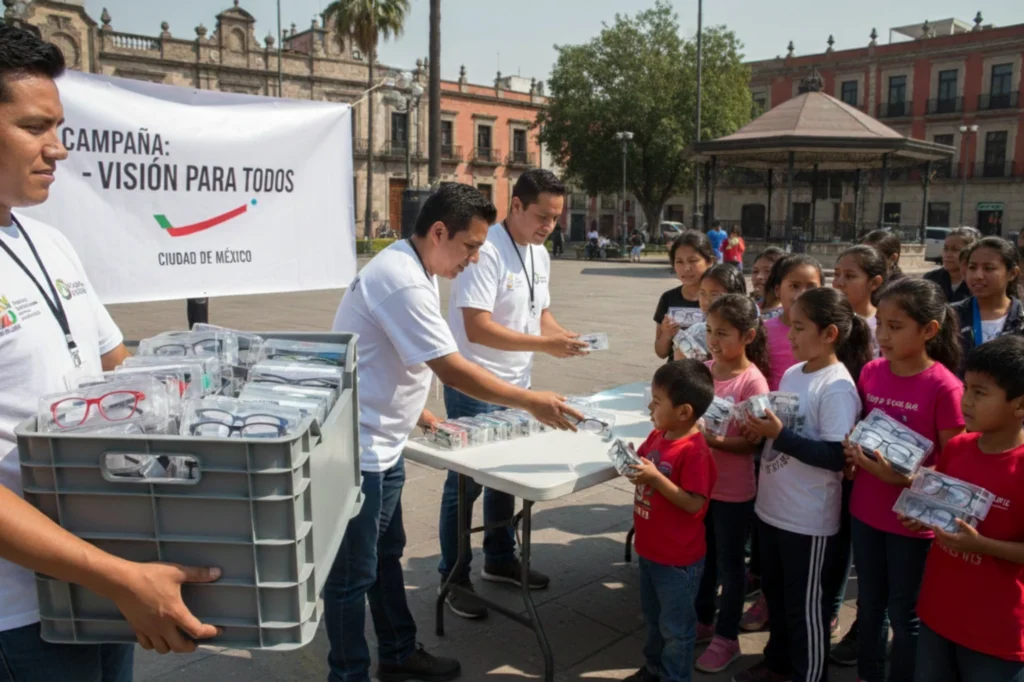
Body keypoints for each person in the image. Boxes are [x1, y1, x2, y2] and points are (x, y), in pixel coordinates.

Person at [0, 24, 223, 678]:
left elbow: (115, 365)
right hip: (20, 613)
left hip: (106, 588)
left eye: (60, 127)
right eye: (35, 127)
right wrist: (120, 576)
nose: (58, 149)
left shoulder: (47, 242)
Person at [327, 183, 583, 682]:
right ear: (439, 231)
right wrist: (532, 400)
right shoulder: (401, 278)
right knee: (352, 576)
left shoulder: (415, 267)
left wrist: (418, 413)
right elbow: (452, 368)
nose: (473, 259)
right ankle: (349, 673)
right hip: (360, 449)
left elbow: (382, 355)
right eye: (469, 247)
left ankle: (399, 652)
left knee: (384, 555)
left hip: (386, 439)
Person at [439, 169, 587, 619]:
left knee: (509, 473)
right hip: (475, 383)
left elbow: (538, 311)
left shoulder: (537, 253)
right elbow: (476, 327)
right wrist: (546, 344)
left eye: (557, 218)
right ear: (516, 205)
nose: (549, 226)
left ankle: (500, 558)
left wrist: (563, 336)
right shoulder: (485, 253)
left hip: (516, 381)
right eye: (542, 215)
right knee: (464, 484)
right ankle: (453, 577)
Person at [735, 287, 871, 682]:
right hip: (773, 507)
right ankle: (777, 662)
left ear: (829, 333)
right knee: (776, 598)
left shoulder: (837, 387)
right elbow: (783, 429)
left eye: (798, 327)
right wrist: (760, 430)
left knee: (805, 606)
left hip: (808, 519)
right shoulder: (796, 372)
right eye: (789, 326)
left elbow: (834, 456)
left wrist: (779, 435)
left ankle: (810, 673)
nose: (789, 336)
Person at [845, 278, 965, 682]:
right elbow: (862, 430)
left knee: (904, 613)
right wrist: (852, 450)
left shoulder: (945, 386)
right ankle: (868, 674)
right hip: (864, 510)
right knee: (869, 604)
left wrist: (906, 478)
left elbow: (957, 464)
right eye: (880, 324)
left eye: (895, 327)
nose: (882, 335)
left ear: (929, 330)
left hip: (911, 524)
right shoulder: (871, 372)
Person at [909, 335, 1024, 682]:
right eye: (967, 388)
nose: (966, 401)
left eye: (980, 393)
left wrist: (981, 546)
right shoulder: (958, 447)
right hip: (937, 614)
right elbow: (940, 510)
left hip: (996, 635)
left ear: (1020, 405)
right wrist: (920, 516)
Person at [624, 359, 718, 682]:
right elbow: (645, 463)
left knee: (676, 629)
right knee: (652, 620)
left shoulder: (695, 451)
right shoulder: (658, 435)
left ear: (684, 412)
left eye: (657, 401)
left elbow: (694, 504)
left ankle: (675, 677)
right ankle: (653, 669)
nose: (650, 406)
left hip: (678, 561)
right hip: (650, 551)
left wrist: (655, 479)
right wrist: (632, 462)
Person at [694, 295, 770, 674]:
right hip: (702, 486)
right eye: (709, 330)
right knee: (704, 559)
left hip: (734, 492)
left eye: (722, 333)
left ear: (748, 336)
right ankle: (704, 620)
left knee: (730, 567)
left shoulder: (752, 382)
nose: (713, 339)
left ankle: (728, 638)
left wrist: (710, 440)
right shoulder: (703, 371)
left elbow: (753, 443)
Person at [951, 237, 1024, 376]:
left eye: (989, 268)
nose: (978, 275)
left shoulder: (1021, 319)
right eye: (972, 267)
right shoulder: (950, 316)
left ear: (1012, 273)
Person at [761, 254, 824, 390]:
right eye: (794, 286)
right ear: (778, 290)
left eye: (811, 287)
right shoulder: (764, 331)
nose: (802, 294)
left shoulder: (826, 333)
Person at [653, 232, 716, 360]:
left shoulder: (722, 298)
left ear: (710, 261)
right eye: (679, 262)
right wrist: (666, 334)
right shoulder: (668, 298)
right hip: (676, 375)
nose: (686, 268)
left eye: (693, 261)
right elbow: (661, 352)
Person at [673, 264, 747, 361]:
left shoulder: (746, 333)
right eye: (702, 293)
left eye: (714, 295)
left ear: (735, 296)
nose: (706, 301)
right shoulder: (695, 332)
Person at [832, 244, 888, 356]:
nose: (839, 283)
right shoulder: (825, 319)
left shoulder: (885, 324)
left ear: (874, 282)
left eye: (850, 276)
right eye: (837, 274)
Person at [923, 228, 977, 304]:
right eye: (946, 248)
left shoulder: (977, 282)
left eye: (955, 249)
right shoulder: (931, 278)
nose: (948, 254)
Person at [751, 247, 786, 320]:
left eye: (767, 271)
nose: (759, 276)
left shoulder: (788, 316)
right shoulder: (749, 307)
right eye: (755, 271)